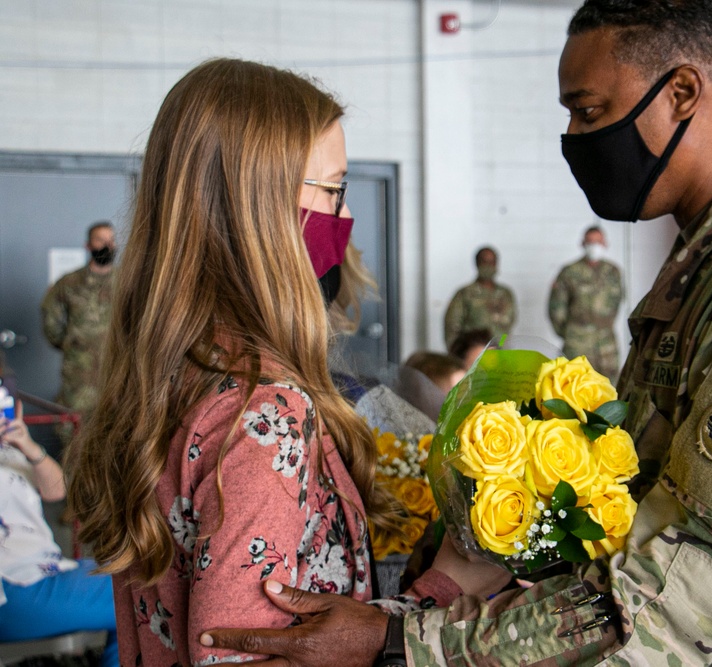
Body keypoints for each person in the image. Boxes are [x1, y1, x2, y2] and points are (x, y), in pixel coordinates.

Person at [202, 1, 712, 665]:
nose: (576, 139)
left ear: (682, 92)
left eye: (590, 112)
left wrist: (404, 642)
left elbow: (690, 588)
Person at [67, 58, 507, 667]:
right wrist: (442, 591)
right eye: (333, 190)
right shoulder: (263, 411)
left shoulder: (173, 378)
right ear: (260, 209)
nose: (345, 219)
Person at [0, 394, 118, 667]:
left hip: (42, 568)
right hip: (13, 585)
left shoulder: (8, 448)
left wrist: (26, 445)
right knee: (136, 594)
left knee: (135, 579)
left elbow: (56, 490)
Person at [39, 221, 116, 446]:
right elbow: (50, 319)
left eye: (111, 240)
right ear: (88, 245)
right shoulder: (69, 282)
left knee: (115, 444)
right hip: (79, 381)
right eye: (100, 240)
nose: (107, 245)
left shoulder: (128, 281)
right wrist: (71, 345)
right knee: (75, 442)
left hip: (117, 378)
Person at [548, 225, 624, 378]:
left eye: (598, 241)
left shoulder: (613, 271)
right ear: (582, 243)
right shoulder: (569, 272)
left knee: (610, 391)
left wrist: (603, 325)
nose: (594, 246)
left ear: (605, 243)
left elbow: (617, 303)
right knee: (571, 387)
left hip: (606, 345)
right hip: (577, 343)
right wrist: (569, 333)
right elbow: (556, 308)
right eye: (590, 242)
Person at [443, 247, 517, 348]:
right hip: (473, 355)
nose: (489, 266)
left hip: (500, 353)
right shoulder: (465, 294)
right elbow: (452, 327)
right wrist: (459, 354)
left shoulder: (506, 294)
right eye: (485, 262)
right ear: (477, 263)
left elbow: (509, 326)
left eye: (492, 262)